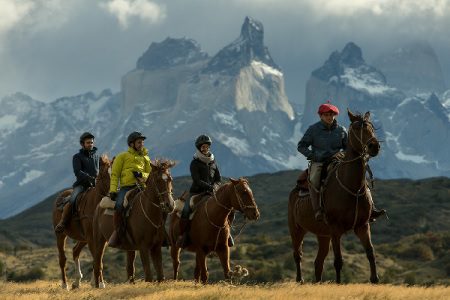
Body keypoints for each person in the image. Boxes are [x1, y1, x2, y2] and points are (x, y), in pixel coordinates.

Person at [297, 102, 385, 222]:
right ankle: (318, 210)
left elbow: (347, 147)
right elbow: (301, 146)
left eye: (332, 114)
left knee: (358, 176)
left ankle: (371, 208)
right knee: (314, 178)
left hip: (336, 160)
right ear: (321, 116)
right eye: (326, 114)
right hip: (319, 161)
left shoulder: (341, 130)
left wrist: (344, 154)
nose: (329, 117)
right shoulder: (313, 130)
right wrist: (312, 155)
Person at [176, 135, 234, 248]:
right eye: (203, 146)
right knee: (186, 210)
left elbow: (218, 179)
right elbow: (196, 180)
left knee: (229, 210)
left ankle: (228, 234)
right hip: (196, 192)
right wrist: (209, 187)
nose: (205, 148)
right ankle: (183, 236)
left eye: (207, 146)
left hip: (212, 192)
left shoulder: (213, 162)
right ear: (199, 148)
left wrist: (215, 187)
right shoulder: (195, 163)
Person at [108, 131, 151, 247]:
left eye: (142, 142)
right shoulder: (122, 156)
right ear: (131, 144)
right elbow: (115, 174)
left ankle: (161, 232)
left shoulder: (146, 158)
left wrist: (142, 175)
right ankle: (118, 232)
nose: (141, 144)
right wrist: (112, 190)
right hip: (126, 188)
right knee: (119, 205)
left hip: (142, 187)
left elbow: (150, 174)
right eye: (139, 142)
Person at [55, 132, 99, 232]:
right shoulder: (77, 157)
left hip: (96, 185)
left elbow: (99, 170)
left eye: (91, 142)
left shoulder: (97, 157)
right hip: (82, 185)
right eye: (88, 143)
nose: (90, 144)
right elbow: (77, 172)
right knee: (73, 199)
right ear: (82, 144)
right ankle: (63, 222)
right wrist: (89, 178)